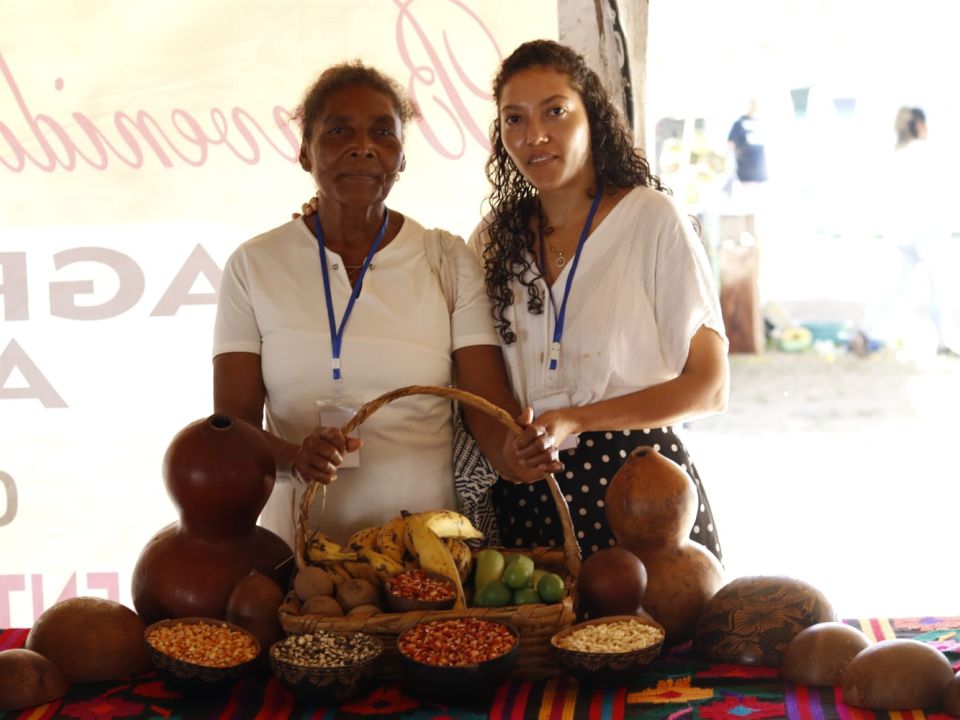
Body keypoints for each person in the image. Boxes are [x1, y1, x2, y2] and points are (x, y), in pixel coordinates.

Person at [213, 62, 559, 547]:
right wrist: (294, 457)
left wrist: (516, 456)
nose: (362, 145)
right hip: (298, 557)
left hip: (431, 552)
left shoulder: (446, 259)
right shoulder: (253, 266)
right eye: (338, 131)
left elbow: (485, 408)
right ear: (305, 154)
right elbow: (232, 429)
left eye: (382, 131)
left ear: (401, 157)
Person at [470, 40, 729, 560]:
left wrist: (576, 419)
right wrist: (504, 455)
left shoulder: (652, 221)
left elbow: (709, 386)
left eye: (556, 112)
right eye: (514, 119)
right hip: (530, 490)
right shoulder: (493, 239)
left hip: (643, 490)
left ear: (593, 115)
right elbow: (475, 373)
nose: (535, 135)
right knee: (545, 641)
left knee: (658, 639)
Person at [854, 107, 957, 357]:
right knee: (940, 285)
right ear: (920, 126)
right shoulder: (927, 151)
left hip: (902, 230)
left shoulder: (897, 154)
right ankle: (945, 340)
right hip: (929, 228)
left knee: (893, 286)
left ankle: (864, 331)